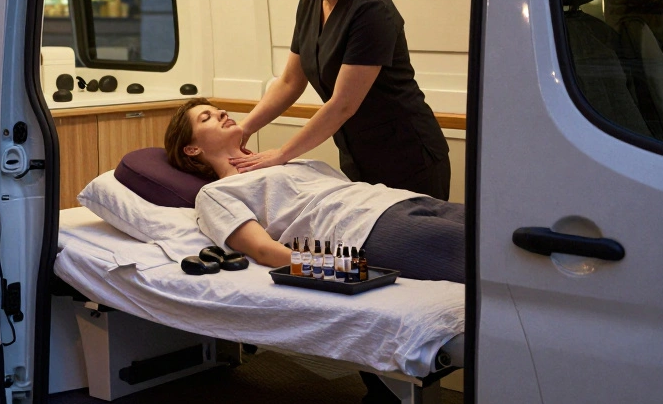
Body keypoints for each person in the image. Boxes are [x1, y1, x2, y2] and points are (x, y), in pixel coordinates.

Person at [231, 0, 451, 199]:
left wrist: (281, 154)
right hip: (356, 155)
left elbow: (343, 105)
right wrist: (244, 128)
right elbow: (289, 82)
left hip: (407, 156)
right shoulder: (310, 3)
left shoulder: (370, 10)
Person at [165, 98, 463, 284]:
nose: (221, 113)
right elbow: (263, 250)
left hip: (397, 199)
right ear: (192, 149)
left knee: (500, 229)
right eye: (207, 118)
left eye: (218, 110)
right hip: (369, 231)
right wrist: (338, 271)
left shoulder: (286, 160)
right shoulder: (217, 193)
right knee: (488, 255)